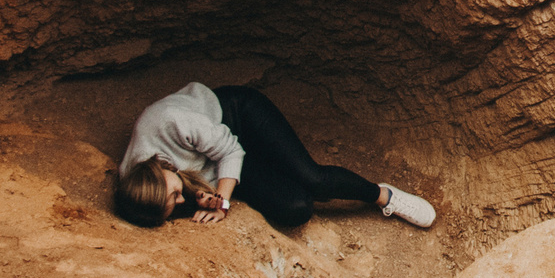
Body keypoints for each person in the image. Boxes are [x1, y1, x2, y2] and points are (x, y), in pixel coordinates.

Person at [113, 81, 436, 233]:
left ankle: (383, 195)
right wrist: (203, 198)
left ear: (155, 173)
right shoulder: (142, 191)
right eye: (173, 206)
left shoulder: (168, 123)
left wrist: (222, 201)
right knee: (296, 209)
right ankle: (269, 167)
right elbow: (183, 189)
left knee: (313, 179)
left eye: (174, 195)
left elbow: (229, 149)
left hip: (237, 118)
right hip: (218, 161)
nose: (180, 201)